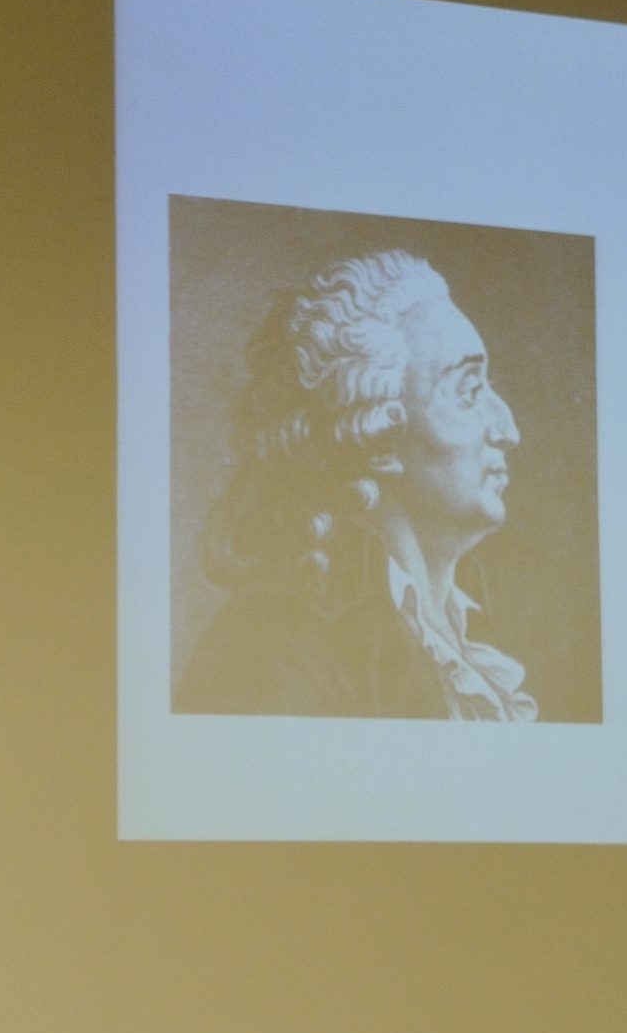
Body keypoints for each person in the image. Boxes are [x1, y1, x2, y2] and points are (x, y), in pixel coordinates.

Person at [177, 249, 538, 720]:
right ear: (378, 431)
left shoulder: (471, 632)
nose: (508, 430)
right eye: (468, 391)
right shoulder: (275, 648)